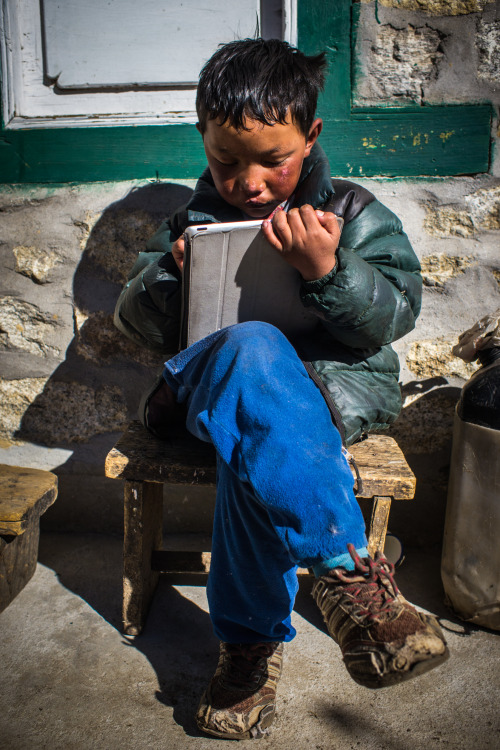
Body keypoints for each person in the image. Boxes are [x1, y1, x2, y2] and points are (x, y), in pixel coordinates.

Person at [114, 38, 449, 740]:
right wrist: (173, 271)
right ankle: (348, 575)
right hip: (217, 394)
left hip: (329, 391)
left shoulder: (354, 212)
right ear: (202, 141)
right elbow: (134, 321)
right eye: (226, 161)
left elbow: (395, 314)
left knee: (256, 450)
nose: (250, 182)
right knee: (253, 356)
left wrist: (330, 266)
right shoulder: (192, 223)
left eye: (275, 159)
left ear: (313, 136)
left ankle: (246, 650)